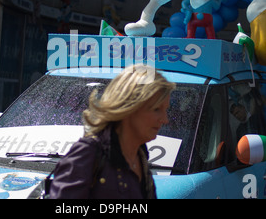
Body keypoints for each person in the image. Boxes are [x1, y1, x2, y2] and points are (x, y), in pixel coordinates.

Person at [49, 64, 175, 199]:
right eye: (156, 109)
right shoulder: (89, 152)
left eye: (165, 110)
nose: (165, 119)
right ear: (130, 106)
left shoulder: (141, 157)